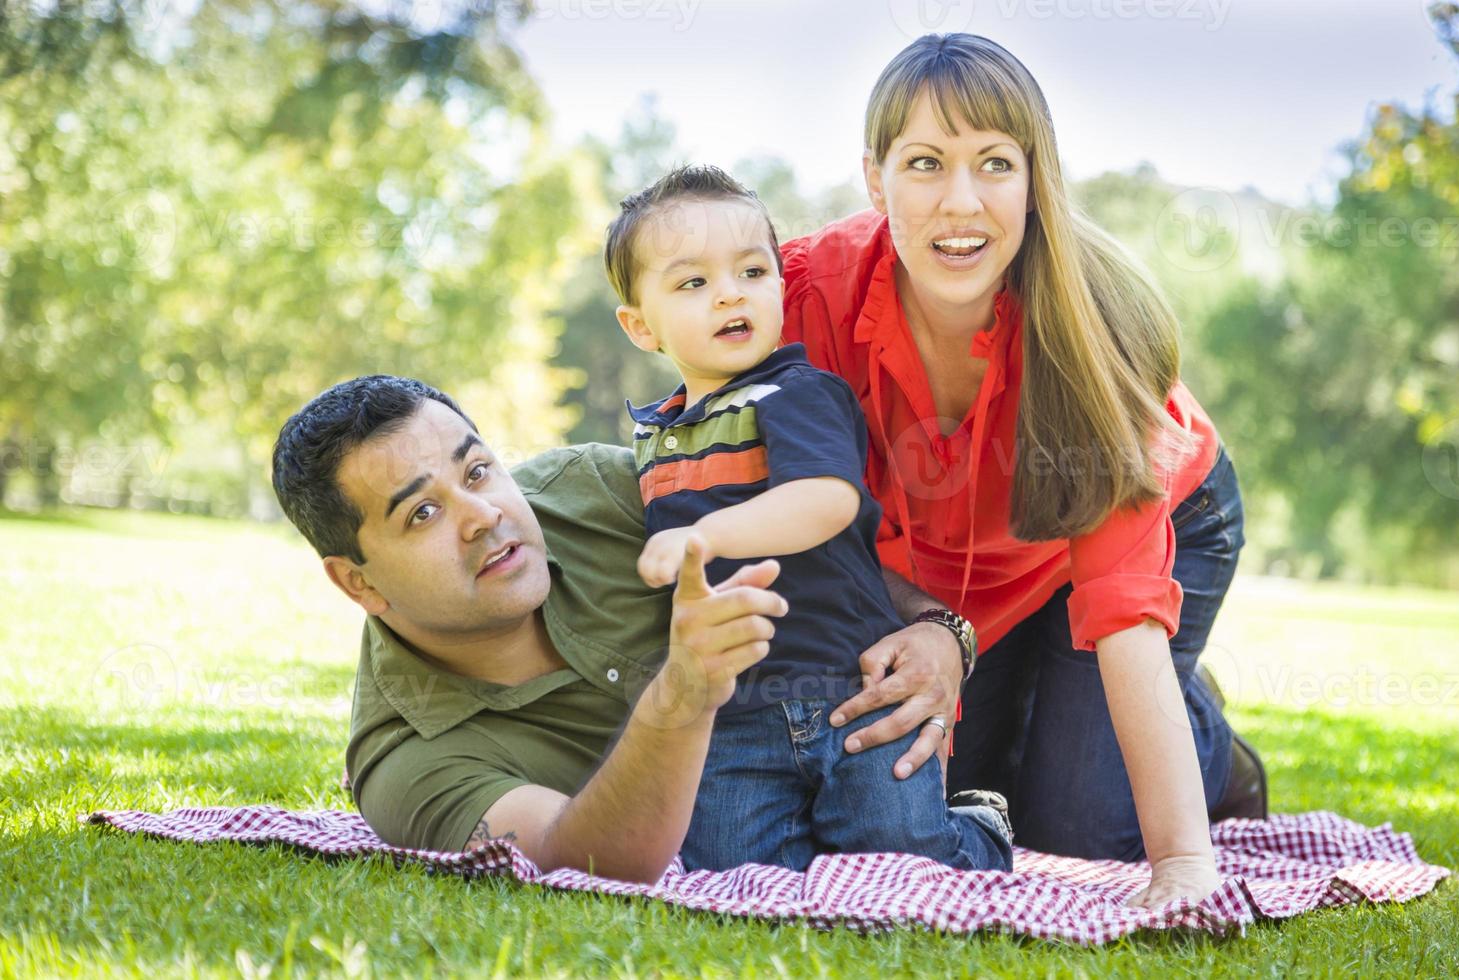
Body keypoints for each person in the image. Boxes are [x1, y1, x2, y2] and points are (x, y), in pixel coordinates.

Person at [778, 33, 1265, 906]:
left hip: (1155, 527)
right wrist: (940, 631)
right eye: (924, 163)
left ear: (1036, 178)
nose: (959, 203)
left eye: (994, 163)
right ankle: (1053, 704)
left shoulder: (1090, 339)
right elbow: (782, 514)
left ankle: (1204, 733)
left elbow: (1121, 609)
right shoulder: (805, 298)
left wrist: (1186, 870)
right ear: (873, 177)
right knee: (952, 777)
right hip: (958, 582)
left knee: (1079, 830)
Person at [605, 164, 1012, 873]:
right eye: (692, 283)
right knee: (735, 870)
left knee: (901, 858)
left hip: (851, 688)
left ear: (780, 287)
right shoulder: (658, 439)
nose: (729, 292)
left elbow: (827, 500)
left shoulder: (795, 393)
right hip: (732, 712)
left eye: (752, 271)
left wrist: (706, 537)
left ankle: (978, 828)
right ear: (641, 325)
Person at [270, 375, 792, 882]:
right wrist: (684, 692)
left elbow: (820, 536)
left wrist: (878, 633)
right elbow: (586, 862)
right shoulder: (405, 764)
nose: (482, 514)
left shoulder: (596, 489)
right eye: (423, 512)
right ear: (358, 583)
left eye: (476, 471)